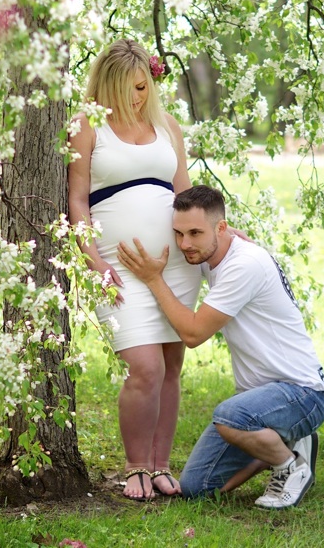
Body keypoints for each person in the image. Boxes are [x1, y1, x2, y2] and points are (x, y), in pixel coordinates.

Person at [116, 185, 324, 509]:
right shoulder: (214, 252)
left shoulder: (245, 265)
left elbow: (192, 334)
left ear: (221, 227)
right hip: (257, 403)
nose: (184, 243)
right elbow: (195, 253)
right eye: (178, 233)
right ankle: (285, 443)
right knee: (196, 487)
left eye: (195, 233)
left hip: (301, 392)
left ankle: (290, 466)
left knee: (228, 416)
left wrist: (154, 279)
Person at [68, 39, 201, 501]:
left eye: (143, 87)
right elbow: (76, 201)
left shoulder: (168, 127)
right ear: (105, 87)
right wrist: (95, 262)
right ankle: (134, 468)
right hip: (120, 270)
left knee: (170, 366)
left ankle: (161, 466)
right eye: (127, 89)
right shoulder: (87, 128)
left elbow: (186, 198)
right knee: (143, 367)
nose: (137, 98)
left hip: (175, 267)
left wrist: (218, 236)